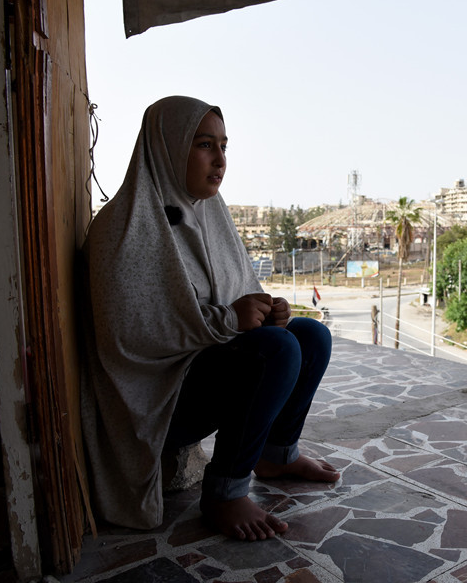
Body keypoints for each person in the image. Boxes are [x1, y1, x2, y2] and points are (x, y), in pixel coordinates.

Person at [80, 96, 339, 541]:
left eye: (224, 146)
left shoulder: (210, 214)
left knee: (310, 334)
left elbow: (235, 297)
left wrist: (265, 313)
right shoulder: (122, 227)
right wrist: (229, 321)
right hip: (158, 399)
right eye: (204, 145)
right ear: (166, 148)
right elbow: (129, 337)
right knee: (276, 351)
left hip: (205, 373)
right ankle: (225, 492)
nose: (220, 160)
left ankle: (277, 454)